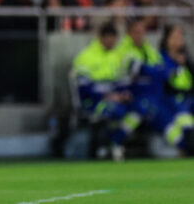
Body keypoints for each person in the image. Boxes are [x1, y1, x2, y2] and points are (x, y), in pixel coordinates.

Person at [117, 19, 194, 154]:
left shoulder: (150, 50)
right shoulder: (125, 50)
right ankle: (114, 142)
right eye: (136, 32)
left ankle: (186, 147)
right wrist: (164, 71)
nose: (140, 35)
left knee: (175, 119)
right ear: (128, 33)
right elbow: (148, 71)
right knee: (148, 109)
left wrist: (164, 71)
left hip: (158, 97)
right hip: (132, 94)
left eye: (142, 32)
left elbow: (158, 72)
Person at [72, 22, 137, 160]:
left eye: (114, 39)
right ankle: (103, 145)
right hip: (92, 101)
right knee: (114, 111)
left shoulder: (117, 56)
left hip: (114, 100)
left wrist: (123, 93)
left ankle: (114, 142)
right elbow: (82, 88)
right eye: (108, 38)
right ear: (100, 38)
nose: (111, 42)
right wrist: (106, 95)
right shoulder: (86, 56)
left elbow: (121, 81)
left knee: (138, 110)